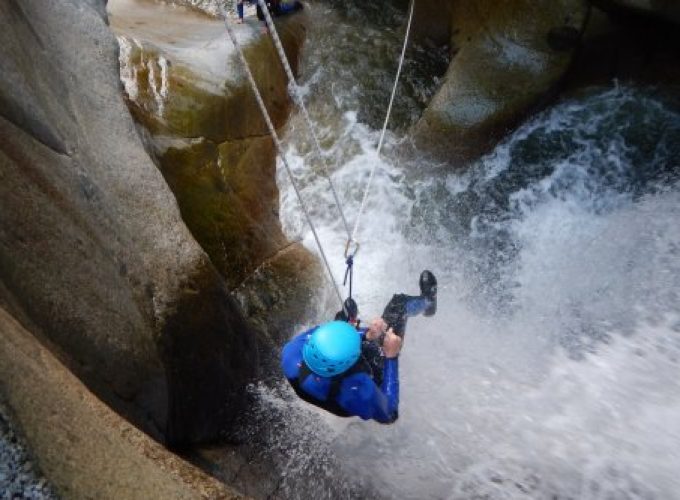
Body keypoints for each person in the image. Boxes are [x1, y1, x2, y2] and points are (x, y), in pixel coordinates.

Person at [281, 270, 437, 423]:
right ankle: (429, 301)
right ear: (354, 359)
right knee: (399, 304)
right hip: (345, 394)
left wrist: (366, 334)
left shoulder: (292, 352)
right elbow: (390, 413)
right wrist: (391, 356)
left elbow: (323, 332)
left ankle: (347, 324)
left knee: (344, 317)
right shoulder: (359, 389)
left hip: (328, 382)